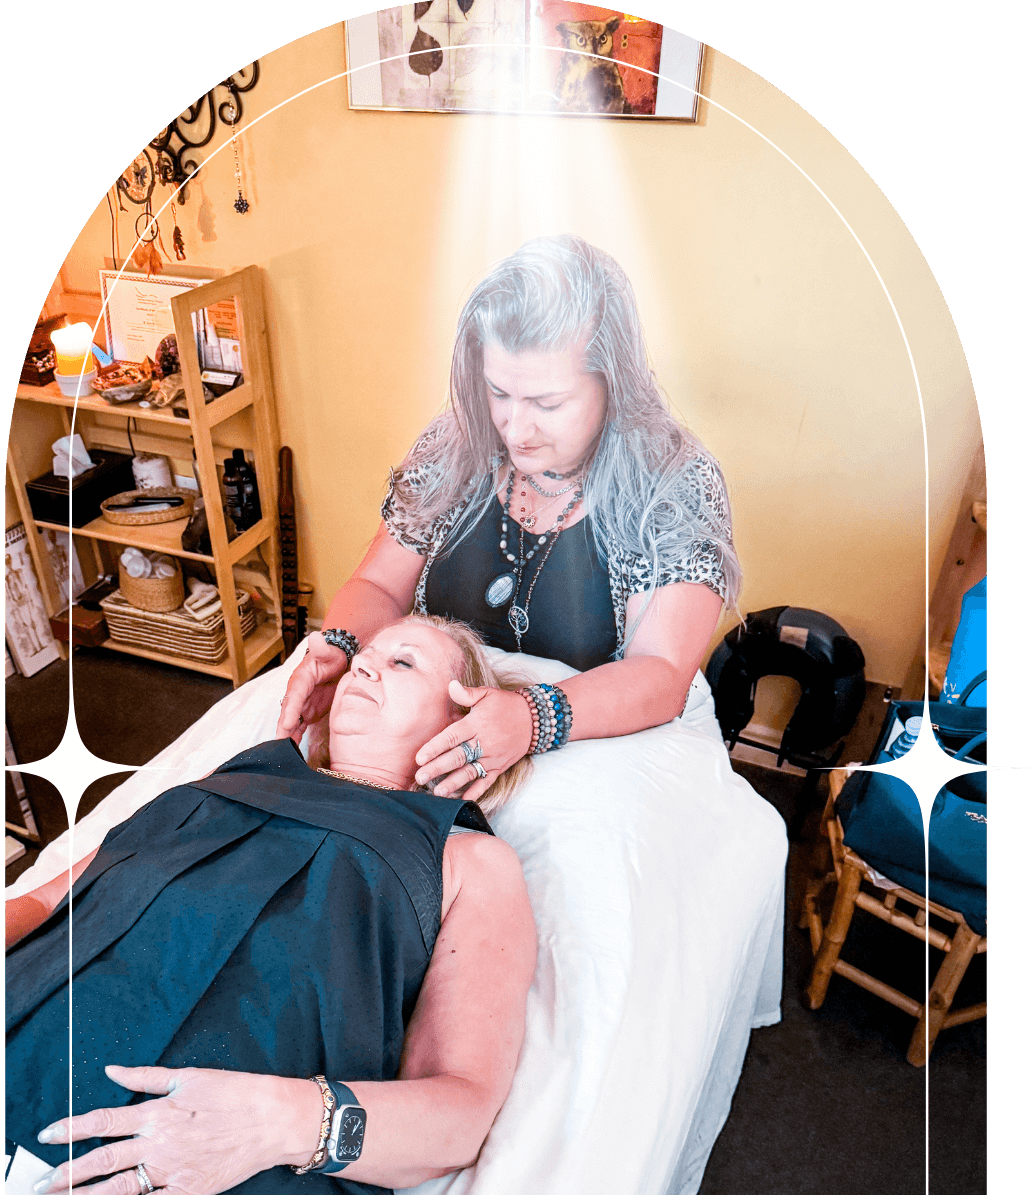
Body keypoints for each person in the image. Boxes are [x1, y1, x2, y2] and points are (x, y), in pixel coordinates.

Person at [5, 616, 536, 1195]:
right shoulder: (228, 780)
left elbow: (459, 1113)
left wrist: (277, 1122)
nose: (364, 668)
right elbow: (47, 902)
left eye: (402, 664)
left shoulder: (464, 859)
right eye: (364, 658)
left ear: (460, 725)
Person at [277, 234, 740, 802]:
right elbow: (378, 584)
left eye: (548, 405)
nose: (515, 430)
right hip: (438, 737)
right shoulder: (456, 445)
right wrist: (341, 645)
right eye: (499, 392)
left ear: (613, 385)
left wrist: (528, 718)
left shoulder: (671, 484)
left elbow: (661, 672)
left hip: (596, 747)